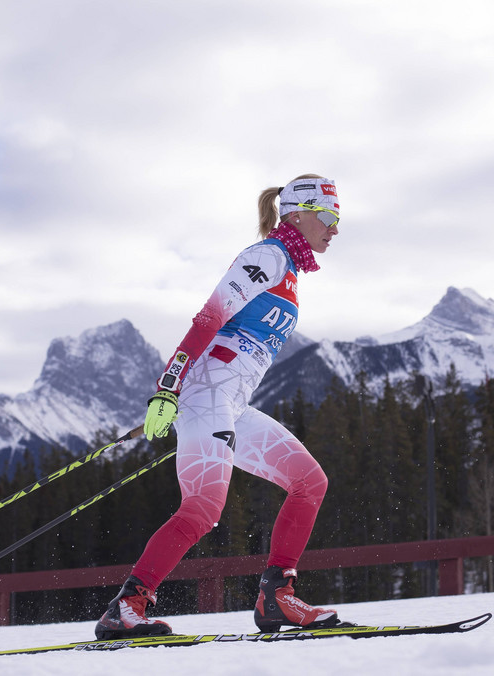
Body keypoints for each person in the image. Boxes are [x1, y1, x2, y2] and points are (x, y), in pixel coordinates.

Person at [95, 174, 343, 639]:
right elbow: (208, 319)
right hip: (206, 395)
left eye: (337, 219)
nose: (334, 229)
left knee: (309, 483)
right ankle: (126, 606)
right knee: (204, 509)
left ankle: (277, 598)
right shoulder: (266, 257)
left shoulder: (288, 267)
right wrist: (168, 389)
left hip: (230, 403)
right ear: (297, 213)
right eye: (328, 217)